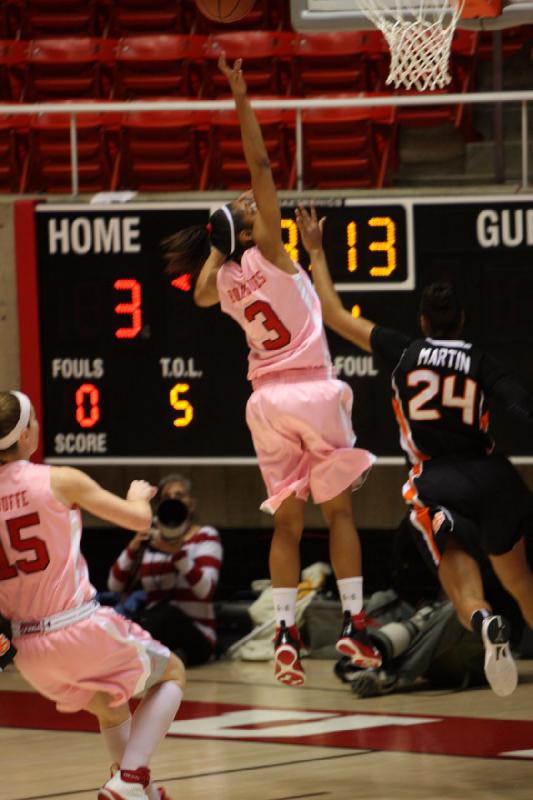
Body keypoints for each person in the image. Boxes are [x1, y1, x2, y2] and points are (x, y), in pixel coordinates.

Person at [161, 55, 380, 687]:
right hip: (311, 388)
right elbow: (260, 165)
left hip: (266, 403)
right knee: (339, 516)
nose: (255, 203)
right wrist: (240, 94)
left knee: (287, 523)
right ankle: (355, 626)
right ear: (252, 226)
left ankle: (285, 630)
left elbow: (201, 286)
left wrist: (222, 241)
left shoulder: (224, 282)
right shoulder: (273, 252)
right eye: (249, 209)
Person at [294, 203, 533, 698]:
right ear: (461, 320)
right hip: (495, 478)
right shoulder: (480, 359)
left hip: (439, 480)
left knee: (462, 584)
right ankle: (508, 616)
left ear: (423, 320)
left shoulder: (405, 350)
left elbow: (334, 315)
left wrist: (316, 250)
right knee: (521, 579)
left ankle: (484, 621)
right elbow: (518, 401)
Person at [0, 390, 184, 800]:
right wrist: (138, 496)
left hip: (27, 652)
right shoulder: (58, 478)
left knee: (111, 704)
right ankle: (131, 779)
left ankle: (143, 792)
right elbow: (137, 519)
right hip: (77, 625)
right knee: (172, 673)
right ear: (26, 436)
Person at [106, 473, 222, 667]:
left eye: (180, 496)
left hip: (197, 635)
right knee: (125, 618)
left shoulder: (205, 536)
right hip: (157, 629)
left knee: (166, 615)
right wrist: (134, 547)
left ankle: (123, 656)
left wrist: (176, 553)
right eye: (166, 498)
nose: (173, 501)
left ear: (191, 504)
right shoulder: (151, 539)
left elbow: (205, 590)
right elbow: (114, 586)